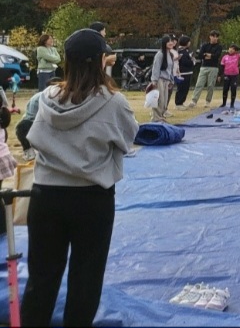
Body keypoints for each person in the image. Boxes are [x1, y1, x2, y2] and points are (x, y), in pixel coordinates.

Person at [21, 28, 138, 327]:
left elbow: (27, 132)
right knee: (86, 278)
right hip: (91, 199)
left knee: (41, 279)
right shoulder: (113, 102)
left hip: (45, 196)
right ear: (100, 60)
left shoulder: (46, 97)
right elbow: (128, 137)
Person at [190, 31, 223, 108]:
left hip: (214, 68)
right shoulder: (205, 45)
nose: (214, 38)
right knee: (199, 84)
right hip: (204, 67)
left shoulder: (219, 47)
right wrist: (209, 55)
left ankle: (208, 101)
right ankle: (194, 101)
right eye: (213, 36)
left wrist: (209, 55)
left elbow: (217, 56)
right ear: (210, 37)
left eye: (216, 37)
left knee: (210, 85)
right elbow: (200, 55)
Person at [150, 34, 176, 122]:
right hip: (159, 79)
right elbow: (156, 67)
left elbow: (170, 69)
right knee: (159, 99)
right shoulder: (160, 54)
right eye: (168, 41)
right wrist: (154, 80)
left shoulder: (171, 55)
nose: (171, 43)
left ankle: (161, 115)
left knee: (165, 100)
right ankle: (156, 117)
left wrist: (171, 80)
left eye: (171, 41)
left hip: (167, 80)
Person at [15, 90, 43, 160]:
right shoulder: (45, 97)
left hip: (28, 122)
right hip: (34, 122)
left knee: (21, 128)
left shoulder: (36, 96)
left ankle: (29, 152)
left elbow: (27, 113)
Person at [220, 44, 240, 112]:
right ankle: (224, 103)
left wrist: (238, 47)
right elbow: (222, 67)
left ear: (235, 50)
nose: (231, 50)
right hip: (226, 75)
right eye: (230, 48)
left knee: (233, 89)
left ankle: (232, 104)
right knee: (225, 89)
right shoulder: (225, 57)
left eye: (233, 49)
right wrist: (220, 75)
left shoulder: (237, 56)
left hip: (234, 75)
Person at [174, 36, 194, 108]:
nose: (189, 43)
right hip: (182, 73)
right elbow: (185, 62)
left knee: (186, 88)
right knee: (181, 88)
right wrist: (191, 61)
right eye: (188, 41)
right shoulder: (180, 51)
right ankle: (178, 103)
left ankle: (181, 102)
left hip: (188, 72)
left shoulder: (186, 51)